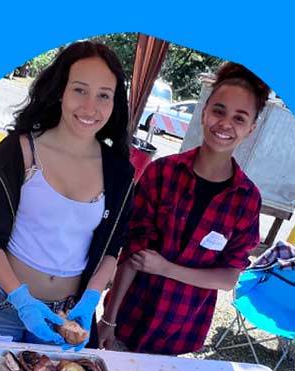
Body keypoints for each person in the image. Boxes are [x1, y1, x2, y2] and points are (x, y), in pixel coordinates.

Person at [0, 40, 134, 347]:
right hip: (2, 301)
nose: (90, 107)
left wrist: (91, 298)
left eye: (103, 96)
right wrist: (20, 297)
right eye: (79, 90)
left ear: (115, 103)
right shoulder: (18, 151)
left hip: (66, 314)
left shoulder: (119, 172)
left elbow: (113, 248)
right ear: (61, 91)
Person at [99, 62, 269, 356]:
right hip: (127, 320)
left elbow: (228, 278)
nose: (225, 123)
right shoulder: (161, 173)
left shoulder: (247, 200)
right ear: (204, 112)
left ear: (251, 129)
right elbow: (133, 254)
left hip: (179, 333)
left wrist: (166, 268)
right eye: (219, 110)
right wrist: (108, 320)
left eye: (239, 118)